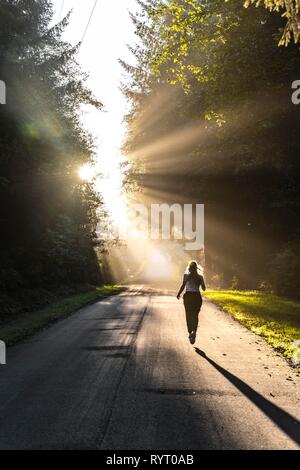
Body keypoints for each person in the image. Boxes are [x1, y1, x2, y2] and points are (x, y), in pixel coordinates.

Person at [177, 260, 206, 344]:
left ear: (189, 268)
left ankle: (190, 332)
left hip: (188, 297)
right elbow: (204, 289)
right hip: (197, 297)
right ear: (196, 268)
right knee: (195, 315)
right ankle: (194, 331)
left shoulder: (186, 276)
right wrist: (201, 283)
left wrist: (178, 294)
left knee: (188, 315)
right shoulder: (200, 277)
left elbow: (183, 286)